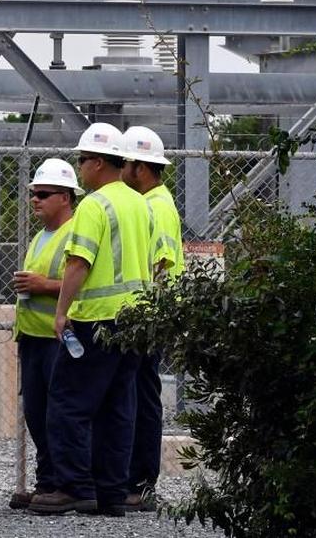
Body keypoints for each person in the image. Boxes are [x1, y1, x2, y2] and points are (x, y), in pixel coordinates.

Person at [30, 123, 153, 518]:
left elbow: (79, 261)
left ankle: (73, 487)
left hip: (97, 320)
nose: (79, 167)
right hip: (136, 319)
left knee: (67, 404)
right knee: (118, 407)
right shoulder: (139, 203)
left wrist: (63, 311)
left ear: (98, 163)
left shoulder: (94, 206)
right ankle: (111, 493)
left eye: (82, 160)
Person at [7, 158, 85, 511]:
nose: (35, 200)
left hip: (58, 339)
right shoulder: (41, 236)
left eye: (43, 194)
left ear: (66, 197)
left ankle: (63, 482)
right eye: (33, 194)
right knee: (38, 413)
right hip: (33, 338)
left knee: (59, 413)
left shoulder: (75, 233)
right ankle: (47, 481)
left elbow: (83, 285)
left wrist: (42, 285)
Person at [121, 125, 184, 513]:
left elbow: (158, 265)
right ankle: (136, 479)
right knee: (140, 396)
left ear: (140, 169)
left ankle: (141, 482)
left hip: (148, 318)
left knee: (142, 400)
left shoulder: (153, 207)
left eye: (124, 164)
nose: (121, 171)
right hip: (152, 317)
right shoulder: (159, 202)